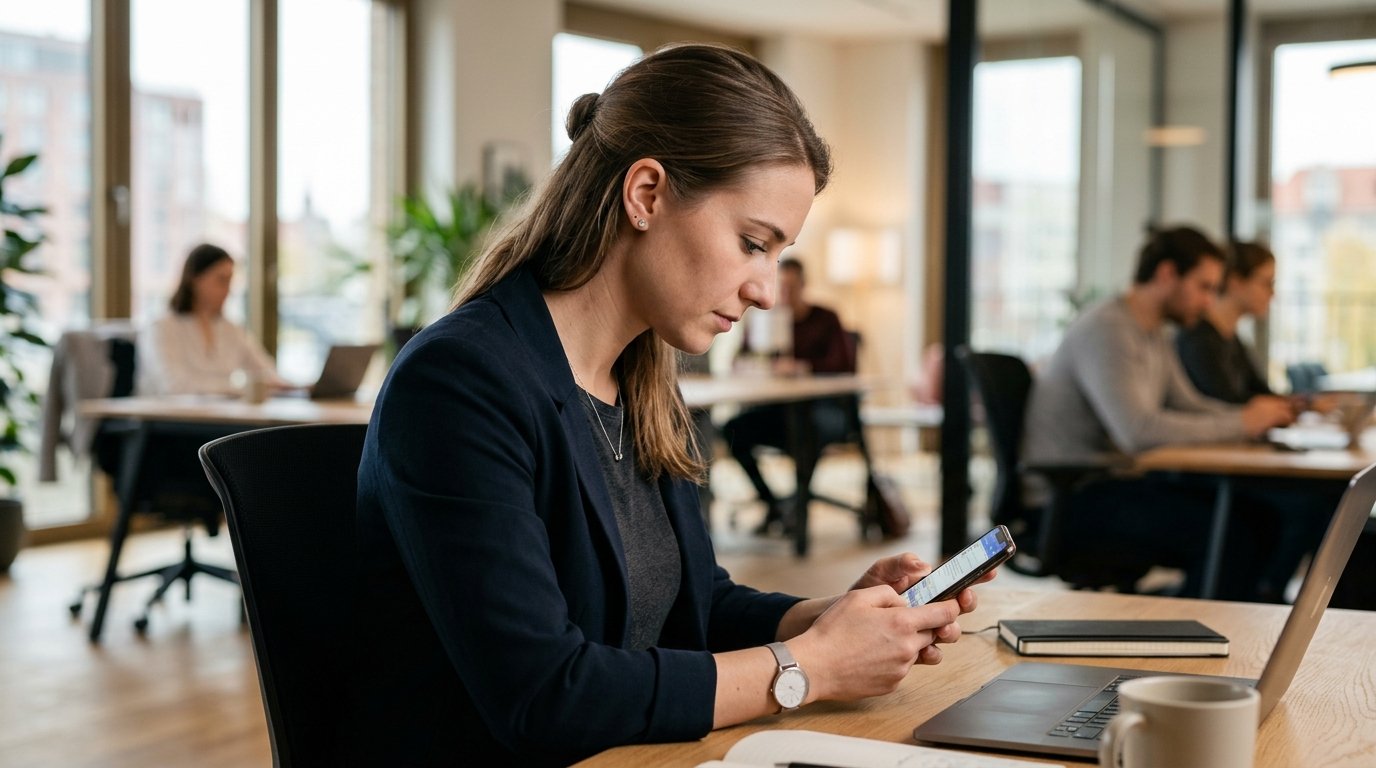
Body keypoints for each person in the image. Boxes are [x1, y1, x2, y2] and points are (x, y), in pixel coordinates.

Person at [350, 44, 989, 766]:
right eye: (753, 243)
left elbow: (693, 606)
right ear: (646, 194)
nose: (767, 290)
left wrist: (831, 623)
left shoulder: (642, 381)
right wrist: (808, 669)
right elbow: (544, 695)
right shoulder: (461, 383)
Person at [1023, 226, 1300, 599]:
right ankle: (1188, 640)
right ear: (1167, 274)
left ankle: (1212, 630)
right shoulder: (1109, 330)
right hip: (1071, 498)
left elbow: (1189, 404)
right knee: (1231, 533)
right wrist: (1240, 422)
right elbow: (1137, 431)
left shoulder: (1152, 331)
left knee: (1261, 518)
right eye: (1203, 287)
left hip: (1113, 484)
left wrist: (1251, 419)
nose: (1207, 303)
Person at [721, 256, 856, 535]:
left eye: (792, 287)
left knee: (808, 427)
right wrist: (757, 363)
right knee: (733, 430)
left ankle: (799, 511)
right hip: (780, 412)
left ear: (804, 286)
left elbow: (843, 365)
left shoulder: (825, 318)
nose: (785, 293)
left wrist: (802, 367)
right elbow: (740, 360)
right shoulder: (766, 321)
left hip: (825, 410)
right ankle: (774, 504)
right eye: (780, 286)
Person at [137, 243, 288, 396]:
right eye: (221, 280)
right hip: (166, 417)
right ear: (195, 279)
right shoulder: (161, 328)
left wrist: (287, 387)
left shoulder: (231, 329)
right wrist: (240, 388)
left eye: (230, 281)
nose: (228, 289)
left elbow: (266, 371)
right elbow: (173, 385)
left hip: (222, 416)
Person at [1175, 240, 1279, 404]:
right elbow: (1228, 404)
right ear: (1235, 282)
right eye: (1266, 283)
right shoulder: (1197, 340)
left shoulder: (1231, 338)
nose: (1272, 294)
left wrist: (1305, 403)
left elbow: (1261, 393)